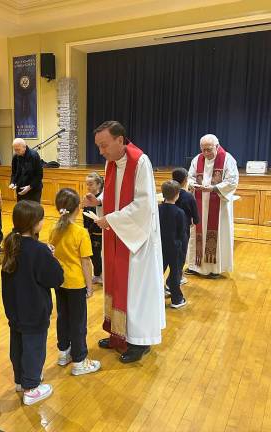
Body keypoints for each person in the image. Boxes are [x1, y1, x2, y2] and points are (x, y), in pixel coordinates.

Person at [83, 120, 165, 363]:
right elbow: (114, 195)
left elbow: (143, 205)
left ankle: (139, 342)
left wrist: (112, 219)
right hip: (118, 234)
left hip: (136, 242)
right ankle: (119, 334)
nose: (101, 152)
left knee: (135, 290)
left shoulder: (140, 161)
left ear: (120, 140)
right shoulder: (111, 163)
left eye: (104, 145)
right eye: (98, 146)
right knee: (117, 285)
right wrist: (98, 202)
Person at [2, 200, 64, 405]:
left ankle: (21, 380)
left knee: (18, 345)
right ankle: (31, 387)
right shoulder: (39, 250)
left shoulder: (11, 244)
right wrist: (52, 258)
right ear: (35, 223)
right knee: (34, 347)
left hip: (14, 308)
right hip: (34, 309)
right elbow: (56, 278)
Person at [49, 188, 101, 376]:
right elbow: (86, 262)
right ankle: (79, 360)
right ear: (78, 208)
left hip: (59, 282)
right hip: (76, 283)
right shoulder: (80, 232)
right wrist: (89, 286)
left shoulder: (53, 229)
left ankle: (64, 352)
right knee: (78, 322)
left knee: (63, 317)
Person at [186, 134, 239, 278]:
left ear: (217, 146)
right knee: (196, 233)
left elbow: (232, 181)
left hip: (218, 205)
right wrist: (192, 184)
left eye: (209, 149)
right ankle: (195, 265)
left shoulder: (227, 159)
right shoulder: (197, 159)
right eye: (203, 150)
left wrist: (214, 189)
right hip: (199, 203)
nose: (206, 153)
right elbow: (190, 177)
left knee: (217, 236)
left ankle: (214, 269)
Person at [159, 181, 187, 308]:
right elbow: (182, 232)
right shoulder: (179, 212)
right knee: (175, 273)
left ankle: (156, 296)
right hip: (175, 248)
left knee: (159, 271)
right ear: (177, 195)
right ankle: (177, 299)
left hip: (160, 247)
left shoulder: (157, 209)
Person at [172, 167, 200, 284]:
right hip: (183, 230)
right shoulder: (189, 197)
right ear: (185, 180)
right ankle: (176, 280)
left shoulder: (169, 192)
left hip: (169, 228)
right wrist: (195, 222)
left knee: (171, 255)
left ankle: (170, 279)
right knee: (181, 255)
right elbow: (196, 218)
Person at [83, 172, 104, 285]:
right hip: (89, 232)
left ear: (99, 184)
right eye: (87, 184)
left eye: (91, 184)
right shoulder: (88, 197)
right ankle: (97, 274)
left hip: (98, 232)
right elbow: (85, 214)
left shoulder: (101, 199)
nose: (88, 187)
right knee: (92, 255)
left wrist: (90, 230)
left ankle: (100, 275)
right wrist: (85, 228)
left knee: (96, 255)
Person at [9, 138, 43, 203]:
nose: (16, 152)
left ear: (24, 147)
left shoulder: (34, 155)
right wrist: (12, 183)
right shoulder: (15, 157)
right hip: (21, 189)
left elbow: (39, 175)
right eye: (15, 150)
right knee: (22, 210)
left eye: (18, 149)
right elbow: (14, 173)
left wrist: (29, 187)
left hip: (33, 189)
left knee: (33, 210)